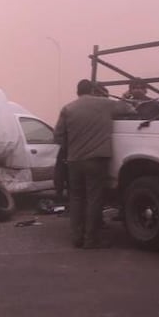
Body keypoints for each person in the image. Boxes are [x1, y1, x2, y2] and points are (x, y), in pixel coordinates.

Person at [54, 79, 133, 248]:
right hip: (97, 161)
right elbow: (129, 109)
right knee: (94, 199)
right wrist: (124, 97)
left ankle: (76, 238)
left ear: (77, 91)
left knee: (76, 199)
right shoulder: (105, 104)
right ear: (92, 90)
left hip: (74, 160)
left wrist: (70, 147)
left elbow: (58, 135)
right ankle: (90, 240)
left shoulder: (68, 108)